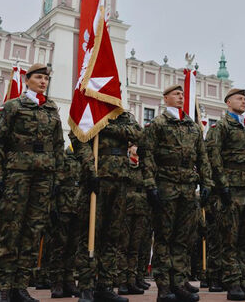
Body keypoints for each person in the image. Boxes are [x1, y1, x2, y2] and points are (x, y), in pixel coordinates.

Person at [0, 63, 65, 302]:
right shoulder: (13, 106)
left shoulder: (51, 109)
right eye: (39, 77)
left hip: (43, 177)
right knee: (10, 230)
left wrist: (57, 178)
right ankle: (2, 287)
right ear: (27, 80)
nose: (43, 82)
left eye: (46, 79)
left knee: (33, 231)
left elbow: (58, 146)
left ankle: (20, 286)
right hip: (16, 174)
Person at [139, 84, 214, 302]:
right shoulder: (158, 124)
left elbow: (202, 157)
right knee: (164, 236)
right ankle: (164, 286)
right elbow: (148, 156)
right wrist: (150, 184)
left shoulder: (192, 125)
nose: (180, 97)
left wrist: (207, 183)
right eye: (175, 94)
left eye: (182, 94)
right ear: (165, 98)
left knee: (183, 237)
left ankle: (179, 282)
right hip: (166, 185)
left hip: (188, 188)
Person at [72, 110, 142, 302]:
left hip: (120, 179)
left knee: (113, 235)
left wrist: (105, 126)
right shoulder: (91, 110)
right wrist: (90, 170)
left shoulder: (124, 115)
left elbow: (137, 134)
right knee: (90, 234)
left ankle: (105, 285)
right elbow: (79, 139)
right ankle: (86, 286)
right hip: (97, 178)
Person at [204, 88, 245, 301]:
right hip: (230, 189)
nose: (243, 101)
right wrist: (222, 186)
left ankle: (243, 280)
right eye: (239, 98)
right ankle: (232, 283)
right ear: (228, 103)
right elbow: (214, 157)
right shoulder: (220, 127)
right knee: (229, 238)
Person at [46, 144, 82, 298]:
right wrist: (52, 207)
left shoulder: (86, 159)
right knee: (59, 246)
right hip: (63, 207)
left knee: (73, 247)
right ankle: (57, 282)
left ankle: (69, 280)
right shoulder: (63, 158)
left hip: (78, 208)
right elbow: (54, 185)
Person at [118, 143, 148, 296]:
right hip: (126, 208)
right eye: (133, 146)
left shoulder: (144, 166)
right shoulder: (125, 164)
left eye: (137, 146)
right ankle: (122, 281)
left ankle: (132, 280)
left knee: (135, 247)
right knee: (124, 246)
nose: (136, 148)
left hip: (141, 209)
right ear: (128, 149)